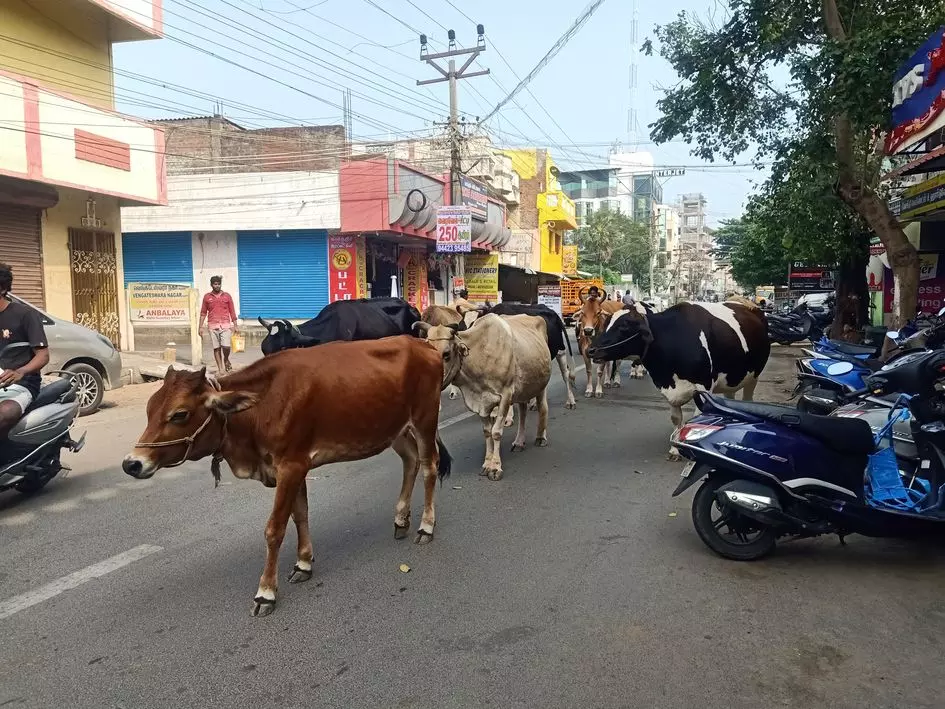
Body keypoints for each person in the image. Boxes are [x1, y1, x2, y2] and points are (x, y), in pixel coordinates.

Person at [0, 263, 50, 440]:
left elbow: (43, 355)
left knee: (4, 413)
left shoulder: (25, 314)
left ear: (3, 288)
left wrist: (20, 371)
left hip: (21, 385)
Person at [198, 275, 239, 374]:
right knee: (216, 348)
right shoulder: (207, 297)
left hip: (225, 325)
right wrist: (200, 327)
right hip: (212, 325)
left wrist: (235, 325)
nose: (217, 286)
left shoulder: (227, 296)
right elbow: (203, 313)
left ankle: (226, 359)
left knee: (226, 347)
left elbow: (232, 311)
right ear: (211, 285)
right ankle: (220, 368)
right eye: (215, 284)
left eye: (219, 284)